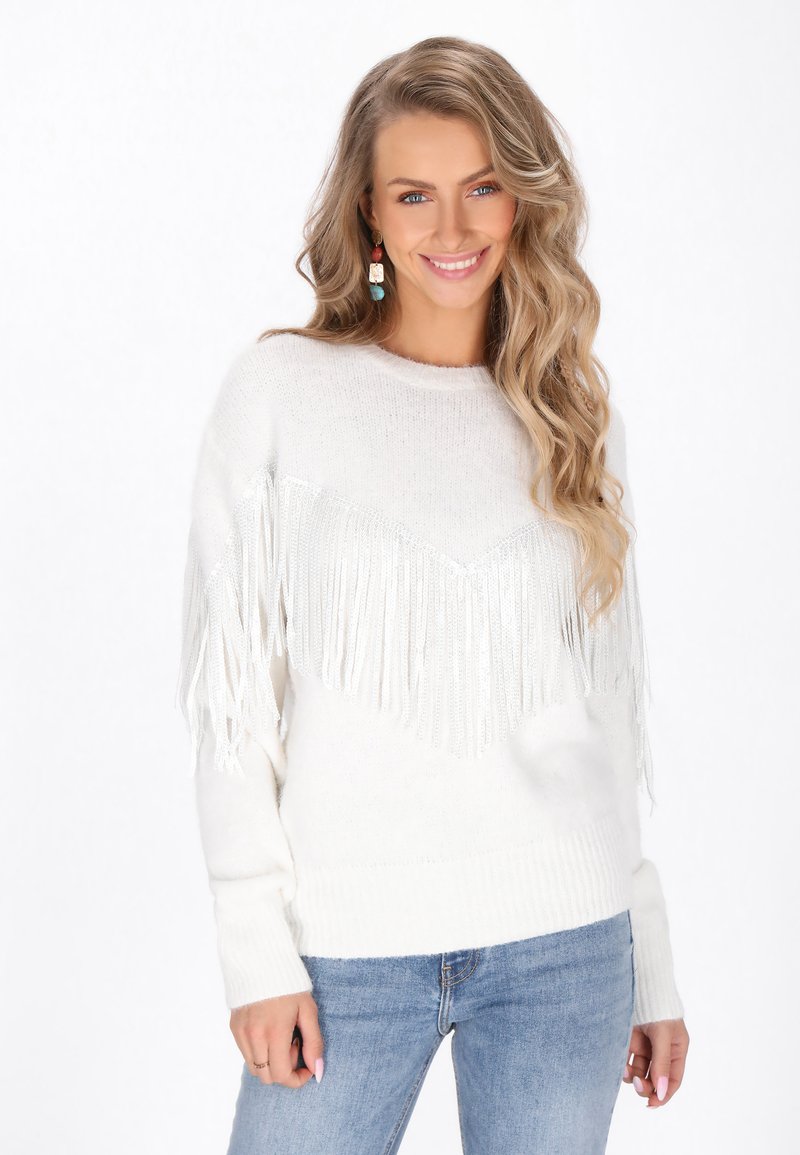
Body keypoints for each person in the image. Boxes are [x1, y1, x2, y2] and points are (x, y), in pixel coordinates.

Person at [176, 35, 689, 1155]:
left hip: (566, 945)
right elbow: (233, 705)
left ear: (525, 199)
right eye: (413, 194)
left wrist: (648, 956)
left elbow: (605, 712)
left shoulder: (572, 417)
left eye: (482, 188)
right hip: (343, 956)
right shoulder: (279, 395)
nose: (450, 229)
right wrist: (256, 953)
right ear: (368, 212)